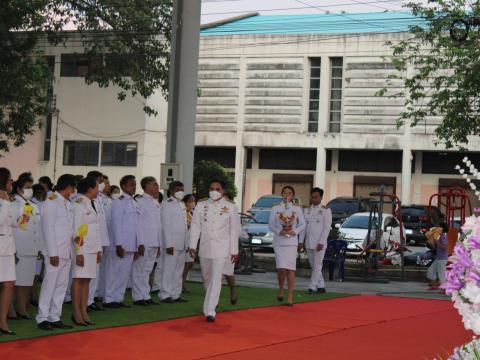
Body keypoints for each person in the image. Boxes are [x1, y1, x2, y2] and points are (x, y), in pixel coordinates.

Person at [189, 180, 241, 322]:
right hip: (205, 247)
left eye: (217, 189)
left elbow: (234, 230)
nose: (214, 191)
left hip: (222, 248)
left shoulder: (230, 207)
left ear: (223, 191)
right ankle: (211, 299)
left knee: (216, 278)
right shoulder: (202, 204)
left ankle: (210, 311)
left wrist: (234, 251)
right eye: (211, 188)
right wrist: (192, 245)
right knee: (206, 278)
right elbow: (195, 226)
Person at [36, 174, 76, 331]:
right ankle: (42, 317)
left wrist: (76, 237)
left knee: (61, 285)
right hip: (55, 252)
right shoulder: (51, 201)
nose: (74, 190)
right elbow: (47, 229)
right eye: (73, 187)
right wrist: (53, 253)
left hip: (66, 250)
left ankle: (54, 316)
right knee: (49, 285)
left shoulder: (67, 203)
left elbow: (68, 228)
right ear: (68, 187)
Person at [104, 175, 142, 308]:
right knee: (114, 272)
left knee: (124, 275)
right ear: (123, 186)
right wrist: (119, 245)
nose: (134, 186)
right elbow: (116, 224)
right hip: (119, 245)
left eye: (134, 184)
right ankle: (109, 299)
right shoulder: (118, 202)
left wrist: (138, 245)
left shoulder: (134, 202)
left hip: (131, 244)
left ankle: (118, 298)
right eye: (131, 184)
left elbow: (137, 226)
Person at [9, 174, 42, 320]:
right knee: (15, 281)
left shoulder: (33, 205)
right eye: (27, 187)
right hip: (19, 248)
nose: (30, 190)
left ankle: (21, 308)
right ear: (19, 189)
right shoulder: (14, 204)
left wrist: (40, 247)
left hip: (31, 248)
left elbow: (38, 228)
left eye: (31, 187)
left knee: (26, 281)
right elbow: (13, 226)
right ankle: (11, 310)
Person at [71, 177, 102, 326]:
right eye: (96, 187)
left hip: (91, 248)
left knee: (87, 280)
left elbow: (96, 228)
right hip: (83, 249)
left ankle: (84, 311)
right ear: (90, 188)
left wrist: (98, 249)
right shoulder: (78, 203)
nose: (98, 189)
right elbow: (77, 230)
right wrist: (79, 252)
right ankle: (76, 312)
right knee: (78, 280)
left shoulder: (90, 203)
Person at [268, 186, 306, 306]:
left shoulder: (297, 208)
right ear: (282, 194)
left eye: (289, 193)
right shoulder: (275, 208)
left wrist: (294, 232)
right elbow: (271, 225)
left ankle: (290, 297)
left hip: (291, 241)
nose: (287, 195)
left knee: (290, 269)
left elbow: (303, 224)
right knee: (281, 269)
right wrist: (280, 232)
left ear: (293, 195)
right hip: (279, 241)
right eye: (285, 192)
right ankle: (281, 288)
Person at [131, 177, 162, 305]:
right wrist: (139, 243)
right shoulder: (139, 201)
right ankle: (138, 297)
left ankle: (145, 295)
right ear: (146, 186)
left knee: (147, 270)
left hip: (154, 241)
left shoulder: (155, 202)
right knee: (139, 269)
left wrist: (159, 243)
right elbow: (137, 224)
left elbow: (158, 225)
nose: (157, 187)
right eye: (154, 184)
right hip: (144, 241)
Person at [160, 181, 188, 303]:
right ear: (171, 191)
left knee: (178, 270)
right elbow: (165, 226)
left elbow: (184, 226)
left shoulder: (182, 205)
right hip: (172, 243)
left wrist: (187, 243)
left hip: (182, 243)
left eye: (182, 189)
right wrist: (168, 244)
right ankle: (165, 294)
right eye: (177, 189)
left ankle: (176, 293)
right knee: (168, 269)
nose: (180, 191)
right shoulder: (167, 204)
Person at [299, 188, 332, 294]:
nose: (314, 199)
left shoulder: (326, 210)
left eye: (316, 197)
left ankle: (312, 287)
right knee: (314, 265)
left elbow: (326, 228)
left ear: (321, 198)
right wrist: (301, 241)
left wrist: (322, 242)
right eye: (312, 197)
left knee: (317, 265)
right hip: (309, 242)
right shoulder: (306, 210)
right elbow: (303, 227)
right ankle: (321, 286)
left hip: (319, 243)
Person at [85, 171, 110, 311]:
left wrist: (104, 242)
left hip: (98, 240)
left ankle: (91, 298)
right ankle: (87, 301)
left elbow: (102, 223)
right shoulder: (84, 200)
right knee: (88, 273)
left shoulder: (99, 198)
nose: (102, 184)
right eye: (99, 181)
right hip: (88, 242)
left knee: (96, 271)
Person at [0, 168, 16, 335]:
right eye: (10, 179)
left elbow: (12, 222)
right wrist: (5, 202)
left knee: (9, 284)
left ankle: (3, 321)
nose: (12, 182)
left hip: (8, 247)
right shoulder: (4, 200)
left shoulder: (8, 200)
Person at [426, 223, 449, 291]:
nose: (437, 228)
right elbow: (434, 246)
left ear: (441, 229)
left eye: (439, 227)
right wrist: (431, 241)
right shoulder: (439, 236)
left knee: (441, 274)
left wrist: (437, 242)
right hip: (439, 258)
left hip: (442, 259)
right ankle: (434, 285)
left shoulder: (443, 237)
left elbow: (444, 247)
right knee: (431, 271)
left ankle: (444, 289)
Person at [182, 194, 196, 293]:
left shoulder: (191, 213)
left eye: (193, 200)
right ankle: (181, 284)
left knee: (189, 264)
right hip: (184, 242)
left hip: (191, 243)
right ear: (186, 202)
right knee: (185, 265)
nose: (192, 203)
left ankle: (183, 283)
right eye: (190, 200)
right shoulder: (183, 213)